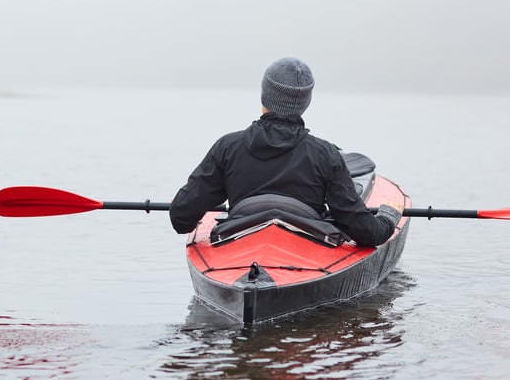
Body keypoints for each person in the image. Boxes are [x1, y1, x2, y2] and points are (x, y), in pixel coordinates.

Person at [169, 57, 399, 247]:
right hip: (307, 246)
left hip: (238, 243)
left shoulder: (228, 148)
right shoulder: (326, 155)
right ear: (305, 102)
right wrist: (389, 217)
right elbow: (367, 234)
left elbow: (180, 217)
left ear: (264, 95)